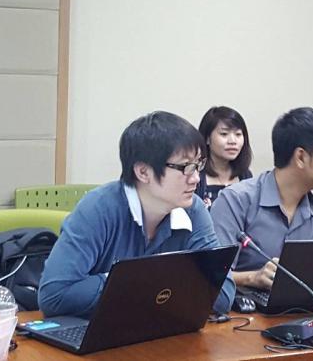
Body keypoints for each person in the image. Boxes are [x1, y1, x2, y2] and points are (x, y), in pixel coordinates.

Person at [38, 111, 235, 317]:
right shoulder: (98, 208)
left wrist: (133, 285)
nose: (195, 178)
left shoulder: (193, 210)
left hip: (158, 329)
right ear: (143, 172)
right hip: (99, 330)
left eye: (198, 165)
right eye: (185, 167)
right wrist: (151, 282)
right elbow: (54, 296)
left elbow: (222, 295)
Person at [210, 107, 313, 291]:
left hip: (308, 305)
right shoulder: (236, 201)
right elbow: (211, 276)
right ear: (301, 157)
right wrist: (252, 277)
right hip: (247, 306)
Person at [196, 106, 253, 208]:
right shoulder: (195, 177)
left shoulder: (245, 176)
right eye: (224, 134)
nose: (233, 141)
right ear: (207, 138)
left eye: (238, 134)